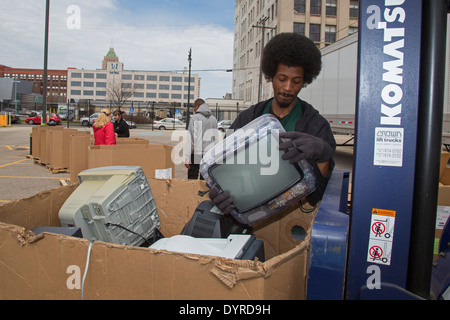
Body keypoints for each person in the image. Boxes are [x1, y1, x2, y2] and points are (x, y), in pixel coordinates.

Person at [209, 32, 336, 214]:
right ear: (271, 76)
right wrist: (218, 193)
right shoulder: (247, 119)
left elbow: (320, 196)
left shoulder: (317, 126)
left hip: (295, 218)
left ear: (305, 81)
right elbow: (222, 166)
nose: (287, 88)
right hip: (250, 216)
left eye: (296, 81)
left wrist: (324, 156)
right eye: (282, 79)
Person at [185, 98, 218, 179]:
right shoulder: (214, 119)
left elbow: (191, 139)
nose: (194, 109)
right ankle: (203, 192)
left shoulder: (195, 118)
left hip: (196, 153)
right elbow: (215, 139)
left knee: (192, 178)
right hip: (209, 154)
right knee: (205, 178)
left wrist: (187, 157)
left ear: (197, 106)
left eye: (194, 107)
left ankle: (192, 192)